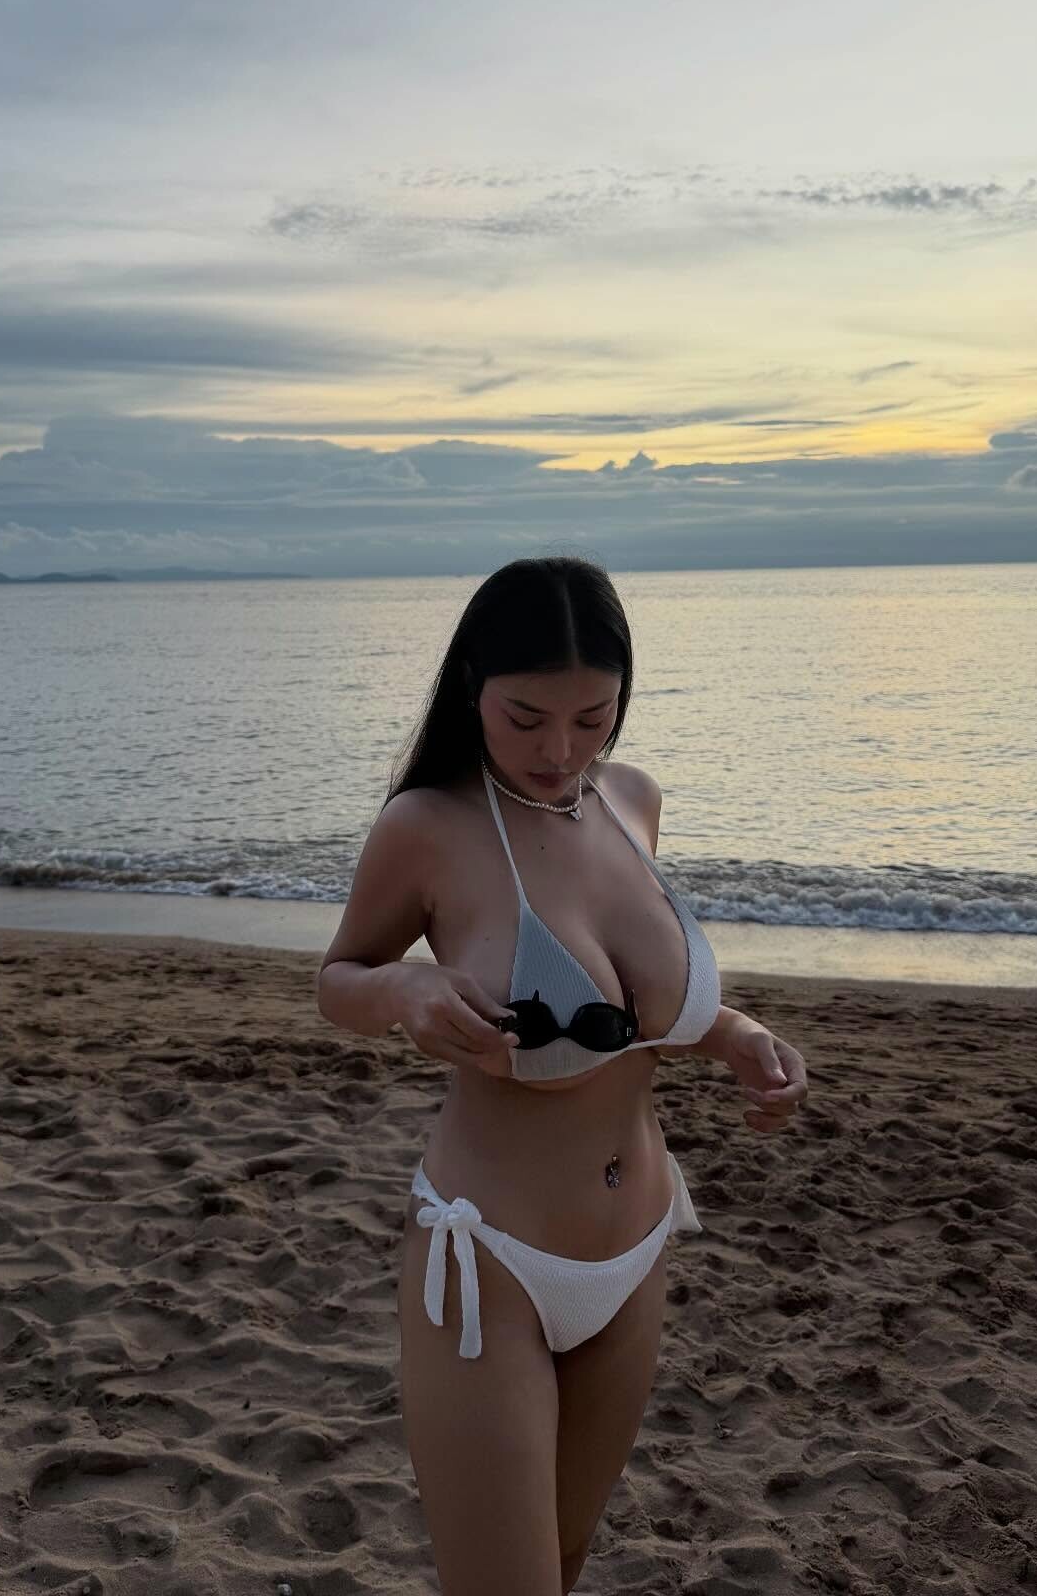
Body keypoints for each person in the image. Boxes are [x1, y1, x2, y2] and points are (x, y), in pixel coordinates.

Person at [316, 556, 809, 1595]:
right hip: (489, 1262)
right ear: (473, 688)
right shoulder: (429, 827)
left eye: (593, 718)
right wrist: (405, 990)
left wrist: (734, 1035)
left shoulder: (632, 801)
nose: (560, 751)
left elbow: (629, 1014)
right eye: (526, 717)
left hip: (636, 1250)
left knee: (568, 1554)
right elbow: (338, 980)